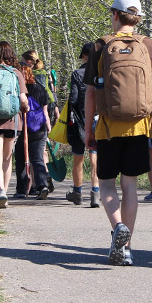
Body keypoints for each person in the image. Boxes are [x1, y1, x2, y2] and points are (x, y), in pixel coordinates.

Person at [85, 0, 152, 266]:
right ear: (138, 18)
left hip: (108, 128)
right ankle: (128, 246)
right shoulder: (150, 46)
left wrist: (88, 128)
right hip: (140, 126)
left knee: (107, 184)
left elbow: (89, 94)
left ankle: (117, 226)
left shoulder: (100, 46)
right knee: (130, 185)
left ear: (114, 15)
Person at [0, 41, 29, 208]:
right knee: (7, 159)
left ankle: (0, 190)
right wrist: (26, 107)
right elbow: (23, 100)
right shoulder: (16, 73)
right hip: (12, 121)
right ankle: (5, 192)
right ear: (11, 55)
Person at [65, 42, 100, 208]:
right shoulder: (103, 73)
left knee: (78, 158)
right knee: (95, 157)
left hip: (80, 120)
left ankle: (77, 193)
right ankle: (95, 193)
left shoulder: (77, 74)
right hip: (99, 119)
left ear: (85, 56)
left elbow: (73, 99)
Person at [14, 57, 52, 199]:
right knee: (37, 159)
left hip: (23, 128)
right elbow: (45, 112)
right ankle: (42, 185)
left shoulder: (19, 90)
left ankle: (21, 189)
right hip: (39, 127)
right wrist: (48, 130)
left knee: (21, 157)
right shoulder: (41, 89)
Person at [22, 50, 58, 191]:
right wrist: (55, 111)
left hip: (32, 111)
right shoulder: (45, 73)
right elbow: (52, 93)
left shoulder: (29, 77)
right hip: (44, 110)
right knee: (42, 149)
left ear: (29, 62)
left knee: (32, 151)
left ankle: (35, 183)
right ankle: (46, 174)